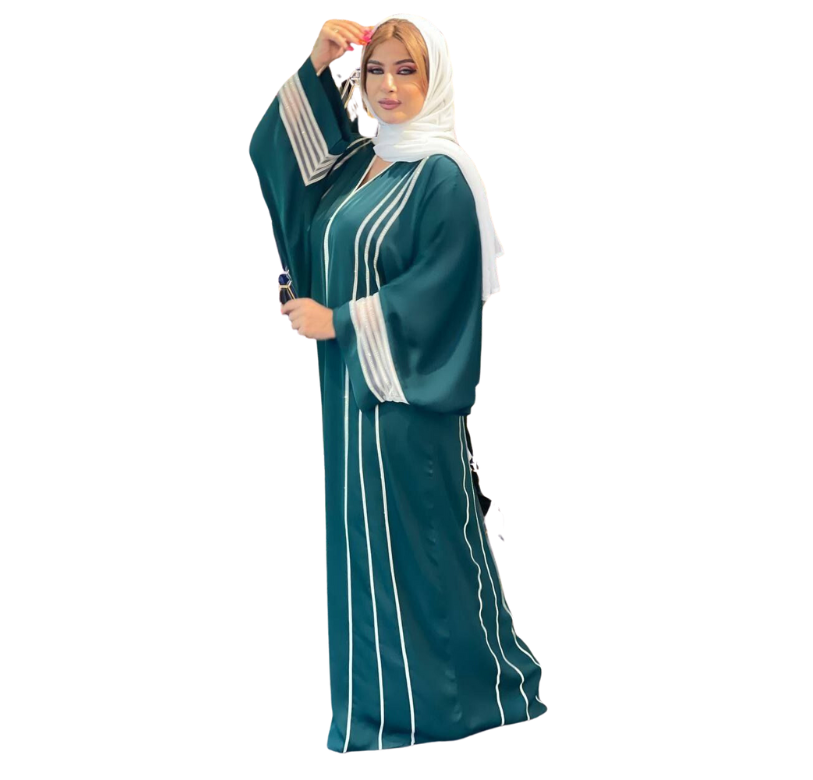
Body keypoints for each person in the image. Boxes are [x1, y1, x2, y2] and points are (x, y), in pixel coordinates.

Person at [248, 13, 547, 752]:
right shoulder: (363, 161)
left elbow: (442, 290)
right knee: (365, 544)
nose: (387, 86)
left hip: (408, 399)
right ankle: (376, 706)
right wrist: (318, 63)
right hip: (351, 400)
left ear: (433, 79)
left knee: (423, 546)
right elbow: (285, 166)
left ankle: (459, 697)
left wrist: (339, 321)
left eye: (405, 71)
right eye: (374, 70)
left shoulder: (442, 177)